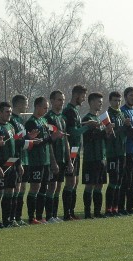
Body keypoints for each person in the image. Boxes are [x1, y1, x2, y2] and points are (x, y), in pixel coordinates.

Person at [0, 101, 28, 227]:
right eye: (7, 112)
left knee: (10, 192)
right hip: (0, 164)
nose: (9, 114)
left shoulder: (11, 126)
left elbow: (16, 146)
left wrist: (19, 163)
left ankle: (8, 221)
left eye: (10, 112)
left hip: (12, 163)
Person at [24, 97, 62, 224]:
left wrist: (53, 160)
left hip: (46, 160)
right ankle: (31, 217)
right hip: (36, 160)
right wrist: (52, 138)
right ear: (37, 107)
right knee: (35, 187)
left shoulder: (44, 121)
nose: (46, 110)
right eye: (45, 107)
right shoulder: (31, 123)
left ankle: (40, 216)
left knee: (44, 188)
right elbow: (34, 143)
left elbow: (48, 143)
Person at [81, 93, 113, 218]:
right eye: (98, 101)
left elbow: (104, 138)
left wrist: (108, 132)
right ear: (91, 102)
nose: (101, 103)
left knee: (99, 185)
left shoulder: (101, 119)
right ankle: (87, 213)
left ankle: (97, 212)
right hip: (90, 158)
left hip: (102, 157)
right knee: (90, 185)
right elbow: (88, 137)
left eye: (101, 101)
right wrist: (103, 131)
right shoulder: (86, 119)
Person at [62, 85, 89, 221]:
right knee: (70, 182)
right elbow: (72, 132)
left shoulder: (75, 111)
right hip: (70, 150)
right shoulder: (69, 111)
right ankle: (67, 214)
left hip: (76, 150)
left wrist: (85, 124)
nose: (84, 99)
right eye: (83, 96)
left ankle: (71, 212)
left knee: (75, 182)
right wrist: (87, 126)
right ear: (77, 95)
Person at [45, 91, 71, 222]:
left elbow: (65, 140)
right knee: (52, 186)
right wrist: (52, 161)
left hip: (62, 157)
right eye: (59, 100)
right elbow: (49, 141)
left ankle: (55, 215)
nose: (62, 102)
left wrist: (69, 159)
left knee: (58, 186)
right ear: (52, 101)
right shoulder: (48, 118)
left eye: (63, 100)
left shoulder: (62, 118)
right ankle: (49, 216)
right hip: (53, 158)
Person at [105, 91, 131, 216]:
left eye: (119, 101)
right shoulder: (108, 115)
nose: (117, 103)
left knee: (120, 180)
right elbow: (112, 134)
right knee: (113, 181)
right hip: (112, 152)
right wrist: (122, 127)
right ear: (110, 101)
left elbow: (126, 132)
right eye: (115, 100)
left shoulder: (122, 114)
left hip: (122, 152)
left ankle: (116, 208)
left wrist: (131, 125)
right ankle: (108, 209)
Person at [9, 95, 30, 226]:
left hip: (25, 157)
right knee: (15, 189)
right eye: (25, 104)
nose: (26, 106)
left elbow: (22, 139)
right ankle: (11, 218)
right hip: (17, 159)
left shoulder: (21, 120)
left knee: (22, 188)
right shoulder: (11, 120)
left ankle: (18, 216)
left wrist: (30, 138)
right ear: (18, 104)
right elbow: (14, 142)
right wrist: (18, 162)